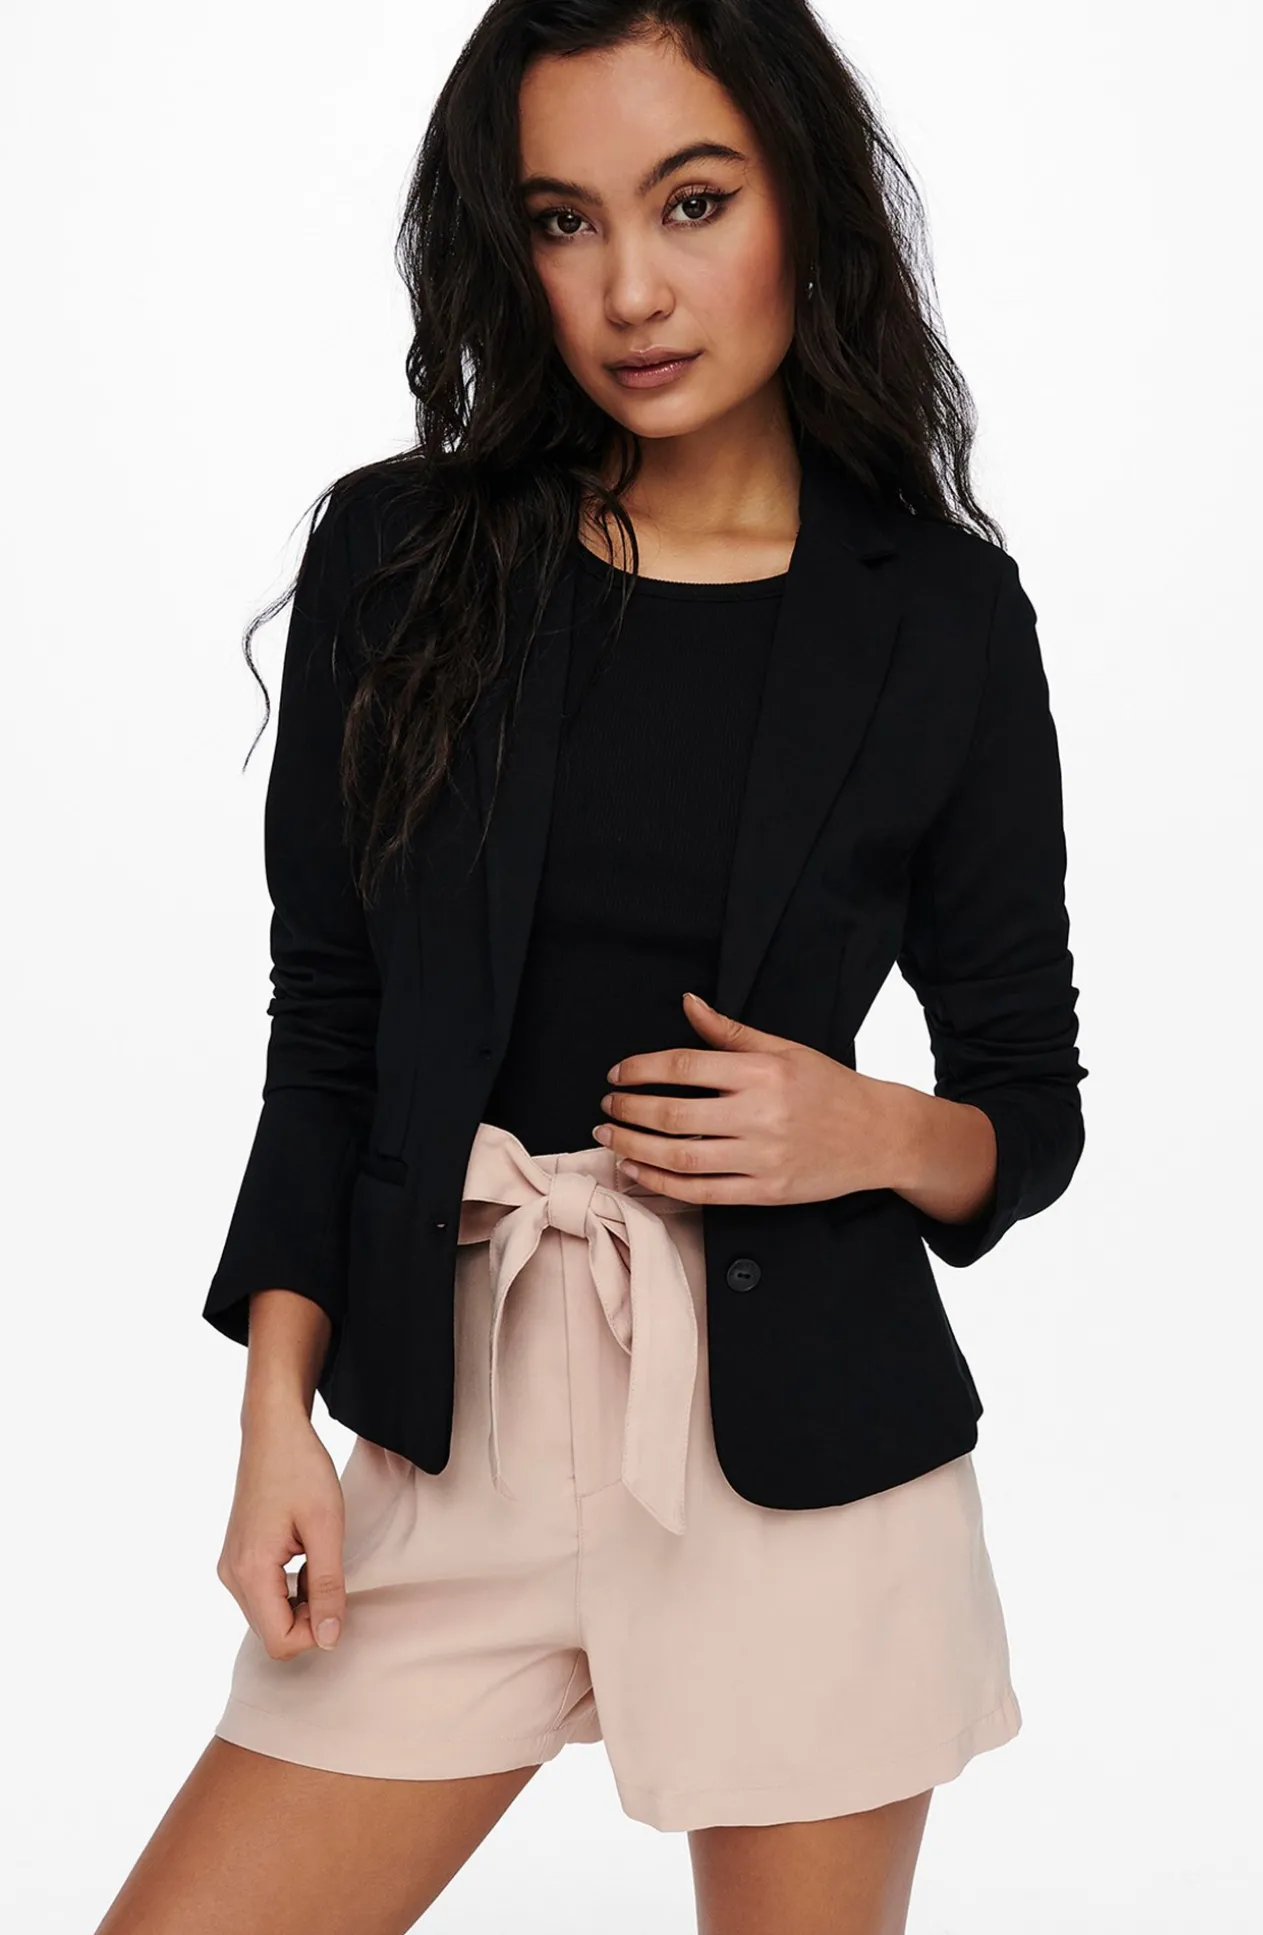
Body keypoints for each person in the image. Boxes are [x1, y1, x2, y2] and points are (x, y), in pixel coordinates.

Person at [95, 4, 1087, 1931]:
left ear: (803, 202)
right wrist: (275, 1415)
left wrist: (868, 1128)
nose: (631, 289)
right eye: (564, 220)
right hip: (449, 1422)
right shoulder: (403, 558)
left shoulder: (942, 618)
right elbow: (331, 1026)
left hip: (808, 1471)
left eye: (691, 201)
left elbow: (1023, 1105)